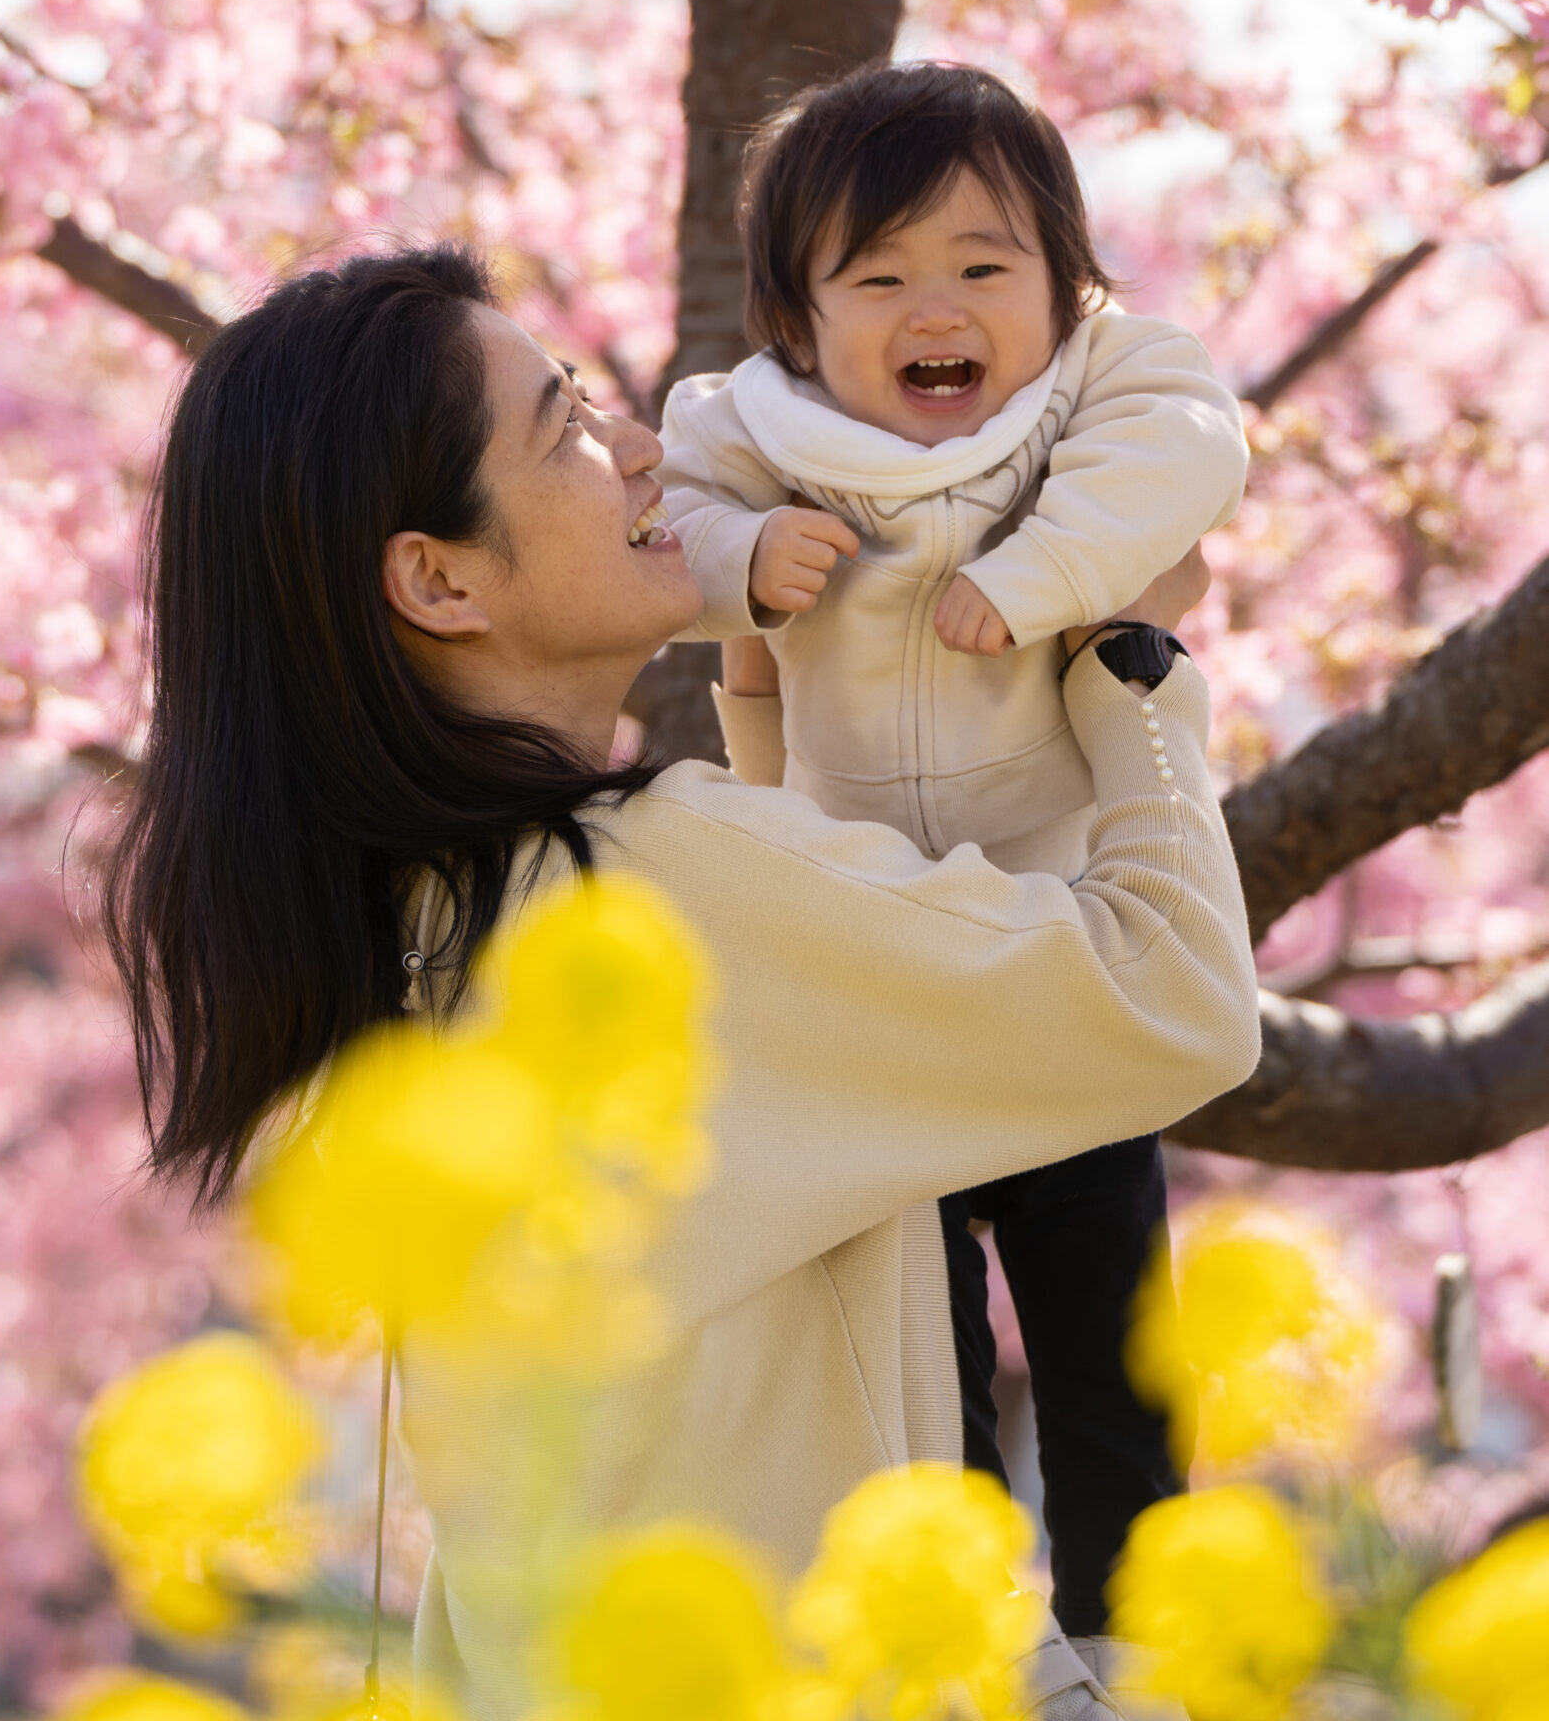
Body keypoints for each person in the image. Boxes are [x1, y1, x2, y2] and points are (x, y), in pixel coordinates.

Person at [103, 244, 1259, 1719]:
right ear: (439, 580)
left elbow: (787, 1113)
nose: (639, 445)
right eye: (564, 426)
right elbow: (1171, 1000)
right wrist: (1130, 660)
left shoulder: (409, 949)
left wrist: (775, 707)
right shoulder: (647, 890)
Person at [658, 62, 1250, 1642]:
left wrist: (1052, 567)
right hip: (879, 980)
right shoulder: (757, 435)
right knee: (916, 1350)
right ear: (797, 320)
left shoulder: (1097, 394)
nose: (940, 308)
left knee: (1105, 1324)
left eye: (986, 267)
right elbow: (674, 522)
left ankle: (1138, 1629)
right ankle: (978, 1631)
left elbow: (1187, 453)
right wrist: (742, 567)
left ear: (1065, 283)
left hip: (1053, 953)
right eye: (880, 277)